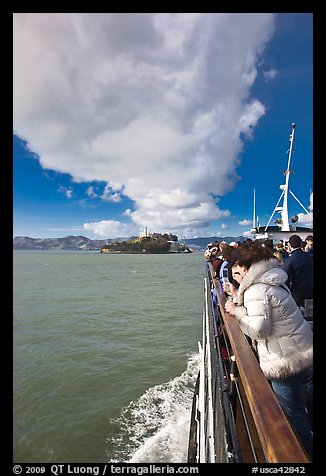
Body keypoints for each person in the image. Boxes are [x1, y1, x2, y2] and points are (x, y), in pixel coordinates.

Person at [223, 241, 313, 461]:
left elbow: (260, 329)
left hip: (283, 360)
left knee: (294, 414)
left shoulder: (255, 289)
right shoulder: (274, 280)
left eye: (237, 269)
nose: (236, 274)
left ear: (245, 267)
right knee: (307, 402)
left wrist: (236, 312)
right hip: (304, 350)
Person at [283, 235, 313, 308]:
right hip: (310, 292)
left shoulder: (290, 260)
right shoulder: (309, 257)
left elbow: (285, 279)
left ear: (289, 245)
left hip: (296, 295)